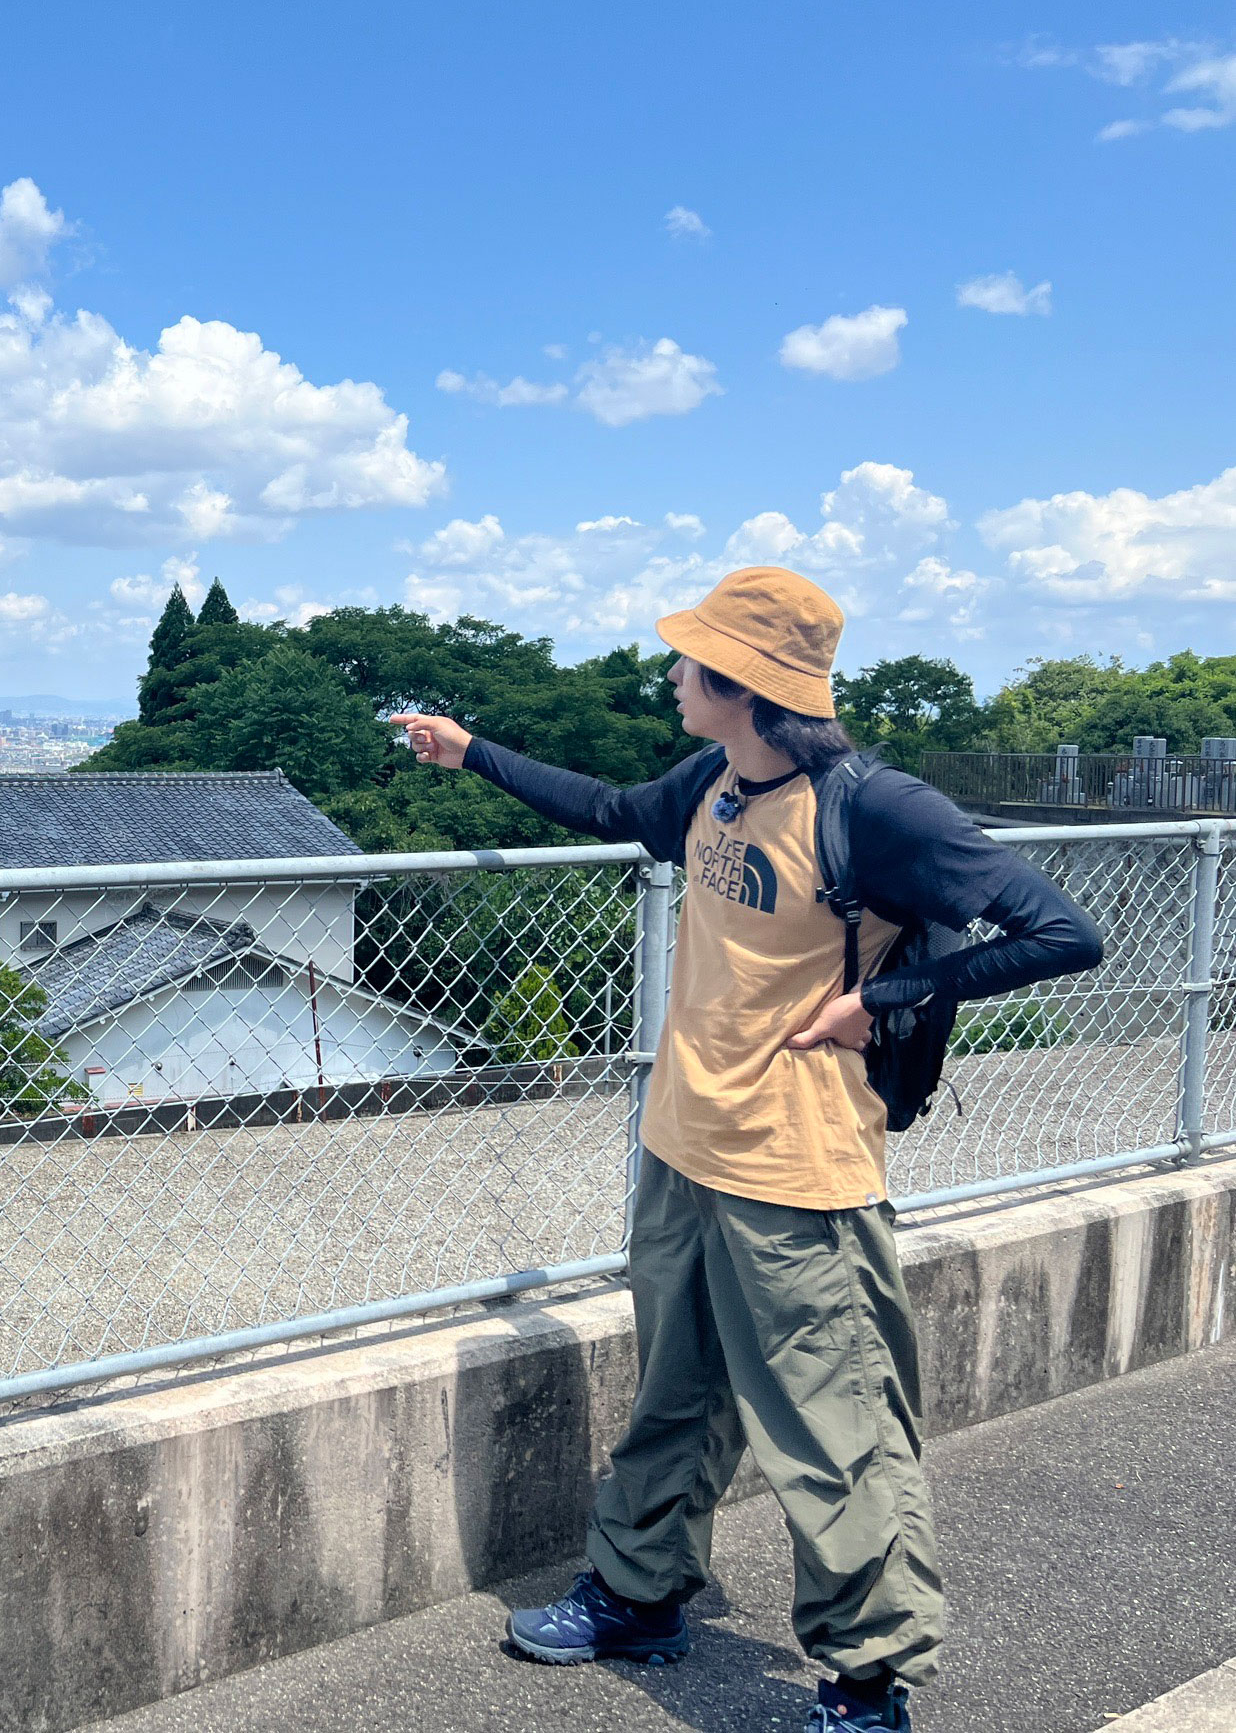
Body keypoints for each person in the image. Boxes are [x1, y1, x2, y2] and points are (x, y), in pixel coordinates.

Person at [389, 567, 1102, 1733]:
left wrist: (895, 992)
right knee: (673, 1393)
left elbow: (1066, 932)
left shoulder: (875, 808)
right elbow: (612, 810)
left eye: (691, 660)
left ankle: (867, 1686)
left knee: (835, 1431)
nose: (672, 673)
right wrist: (471, 752)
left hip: (801, 1166)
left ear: (743, 685)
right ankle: (638, 1594)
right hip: (684, 1141)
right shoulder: (717, 781)